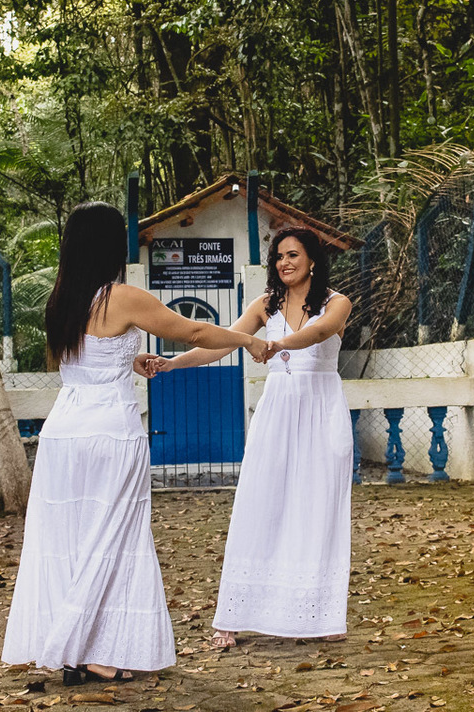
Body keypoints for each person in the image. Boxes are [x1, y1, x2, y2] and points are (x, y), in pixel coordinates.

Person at [1, 202, 268, 685]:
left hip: (63, 432)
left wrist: (127, 362)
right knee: (113, 537)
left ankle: (71, 645)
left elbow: (82, 363)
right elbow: (192, 329)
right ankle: (92, 653)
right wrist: (246, 340)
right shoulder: (121, 296)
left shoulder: (61, 300)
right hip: (108, 430)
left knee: (70, 539)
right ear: (107, 246)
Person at [148, 227, 353, 648]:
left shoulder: (338, 302)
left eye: (293, 254)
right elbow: (221, 344)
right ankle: (234, 614)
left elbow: (319, 333)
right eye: (278, 256)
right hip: (277, 410)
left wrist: (275, 344)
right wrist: (172, 364)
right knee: (260, 502)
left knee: (320, 507)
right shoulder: (265, 305)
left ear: (313, 259)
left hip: (322, 408)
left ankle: (320, 612)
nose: (285, 263)